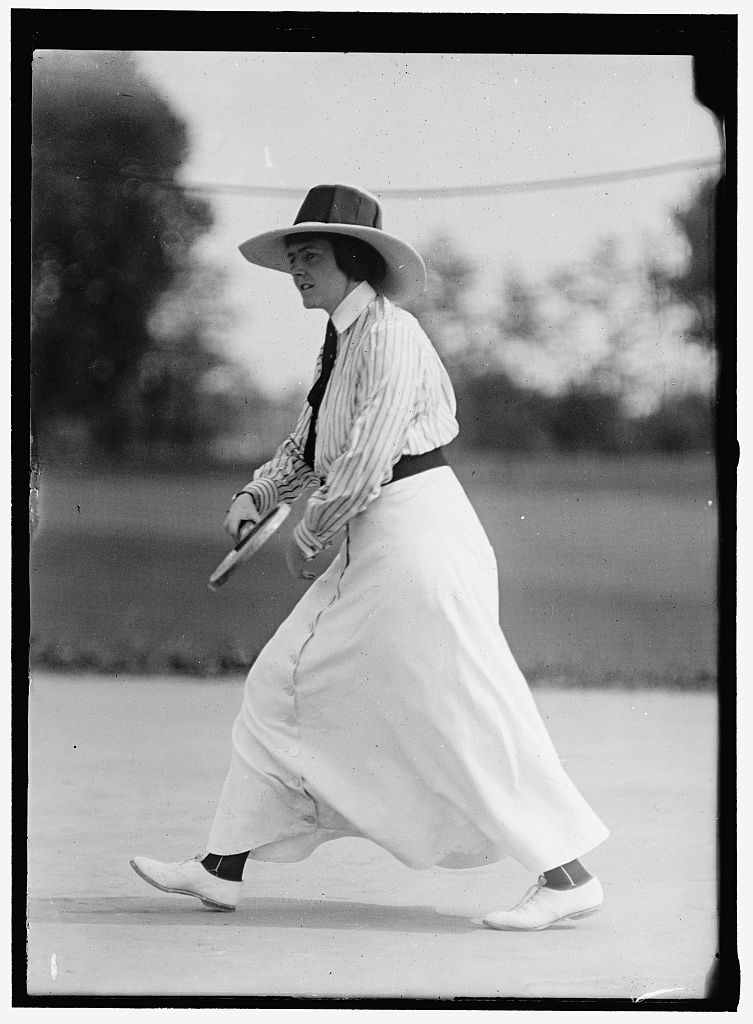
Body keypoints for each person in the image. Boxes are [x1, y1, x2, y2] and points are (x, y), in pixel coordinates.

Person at [131, 184, 608, 931]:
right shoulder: (340, 339)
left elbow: (368, 455)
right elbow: (312, 440)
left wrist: (309, 532)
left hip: (418, 539)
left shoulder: (389, 335)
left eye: (310, 255)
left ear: (353, 260)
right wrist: (259, 493)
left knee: (456, 709)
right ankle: (221, 868)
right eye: (292, 258)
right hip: (377, 536)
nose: (297, 269)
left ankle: (568, 877)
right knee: (279, 684)